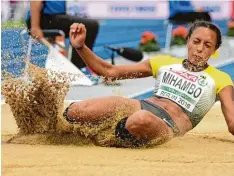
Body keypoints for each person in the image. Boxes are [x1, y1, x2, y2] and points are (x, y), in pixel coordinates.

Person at [60, 20, 234, 148]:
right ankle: (50, 129)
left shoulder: (220, 78)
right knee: (79, 110)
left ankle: (105, 137)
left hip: (168, 124)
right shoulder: (165, 62)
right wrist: (80, 46)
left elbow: (232, 122)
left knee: (141, 120)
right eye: (196, 41)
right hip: (140, 105)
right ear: (188, 40)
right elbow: (109, 72)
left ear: (214, 50)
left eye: (207, 45)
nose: (200, 49)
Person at [25, 1, 99, 69]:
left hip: (52, 17)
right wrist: (35, 27)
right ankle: (77, 69)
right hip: (44, 18)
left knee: (82, 28)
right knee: (90, 26)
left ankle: (78, 67)